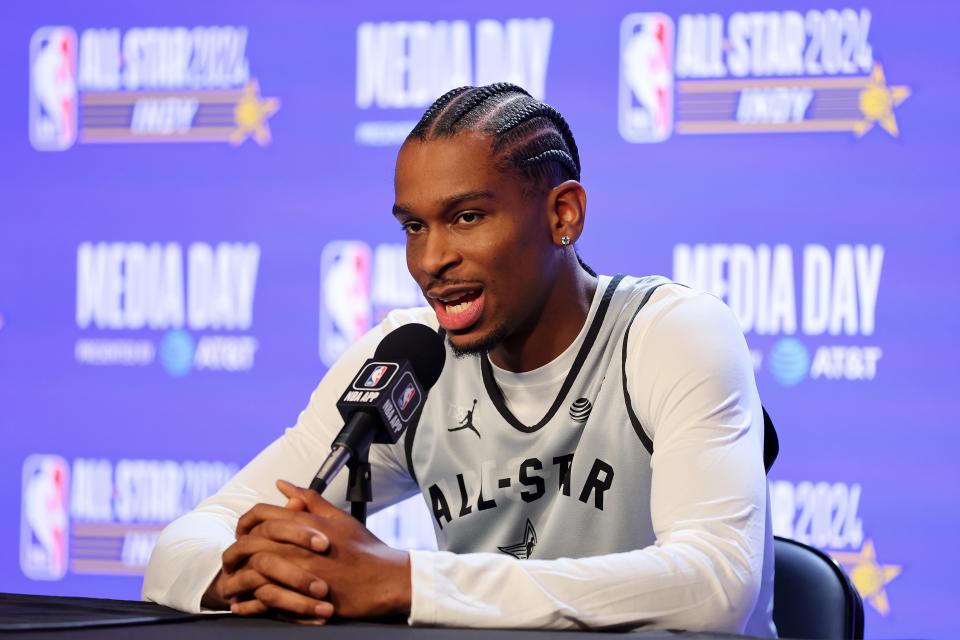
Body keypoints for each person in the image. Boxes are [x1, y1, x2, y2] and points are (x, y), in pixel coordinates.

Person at [143, 83, 776, 636]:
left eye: (467, 217)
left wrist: (408, 583)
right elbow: (187, 543)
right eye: (414, 227)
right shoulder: (408, 357)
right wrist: (247, 577)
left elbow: (715, 584)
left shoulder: (669, 331)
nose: (430, 260)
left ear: (564, 213)